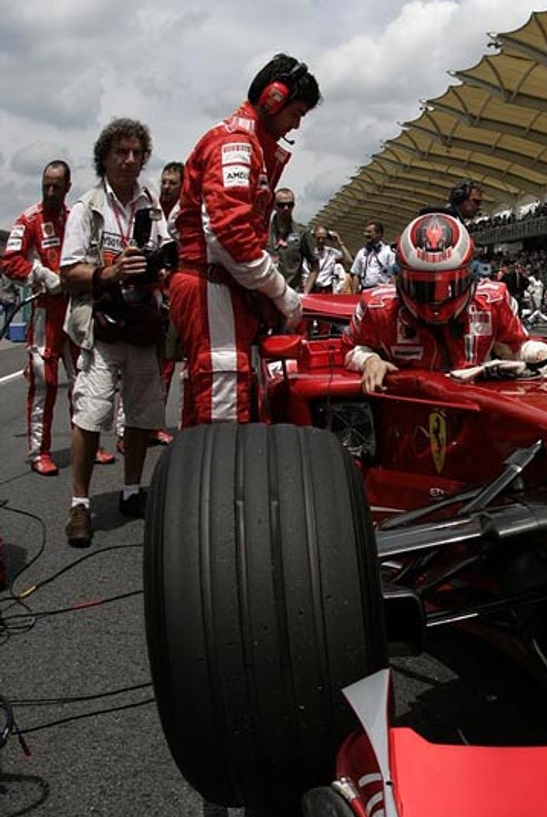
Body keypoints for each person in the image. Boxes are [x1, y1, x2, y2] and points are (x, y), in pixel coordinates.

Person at [170, 54, 320, 425]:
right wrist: (283, 294)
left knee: (213, 398)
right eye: (297, 112)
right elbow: (229, 234)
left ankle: (199, 479)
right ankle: (220, 483)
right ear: (273, 98)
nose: (296, 123)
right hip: (211, 283)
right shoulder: (236, 143)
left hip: (219, 283)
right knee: (225, 396)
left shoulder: (246, 142)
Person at [60, 119, 172, 546]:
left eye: (136, 153)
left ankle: (131, 491)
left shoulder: (152, 205)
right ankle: (80, 504)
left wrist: (158, 266)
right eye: (120, 152)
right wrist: (111, 271)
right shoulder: (87, 206)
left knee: (142, 414)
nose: (129, 160)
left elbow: (163, 255)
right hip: (102, 326)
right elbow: (68, 270)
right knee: (90, 415)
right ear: (104, 157)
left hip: (142, 324)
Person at [341, 213, 547, 393]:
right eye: (424, 286)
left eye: (448, 285)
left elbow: (517, 348)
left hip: (476, 411)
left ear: (470, 275)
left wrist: (542, 356)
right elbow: (349, 350)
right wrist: (370, 361)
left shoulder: (493, 300)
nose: (436, 299)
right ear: (401, 277)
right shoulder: (377, 307)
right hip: (408, 409)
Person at [2, 160, 81, 475]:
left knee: (84, 381)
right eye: (46, 185)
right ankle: (39, 452)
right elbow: (9, 261)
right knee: (44, 382)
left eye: (56, 186)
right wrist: (41, 275)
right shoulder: (29, 219)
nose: (50, 191)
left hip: (75, 311)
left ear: (67, 187)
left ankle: (86, 445)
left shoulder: (77, 218)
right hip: (45, 313)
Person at [267, 188, 317, 292]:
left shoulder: (302, 232)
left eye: (290, 205)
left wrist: (305, 293)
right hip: (265, 294)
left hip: (291, 293)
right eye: (281, 205)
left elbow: (315, 266)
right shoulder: (263, 231)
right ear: (273, 206)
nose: (286, 208)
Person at [350, 220, 398, 291]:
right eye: (365, 232)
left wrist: (393, 292)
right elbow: (356, 274)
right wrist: (353, 296)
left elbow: (393, 274)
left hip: (382, 290)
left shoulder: (388, 251)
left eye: (369, 232)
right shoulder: (361, 252)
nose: (366, 234)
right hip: (365, 290)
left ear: (379, 233)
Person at [307, 225, 352, 293]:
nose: (321, 241)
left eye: (323, 238)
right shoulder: (308, 252)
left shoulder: (331, 252)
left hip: (326, 289)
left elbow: (349, 261)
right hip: (310, 288)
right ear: (313, 237)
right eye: (318, 238)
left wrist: (339, 242)